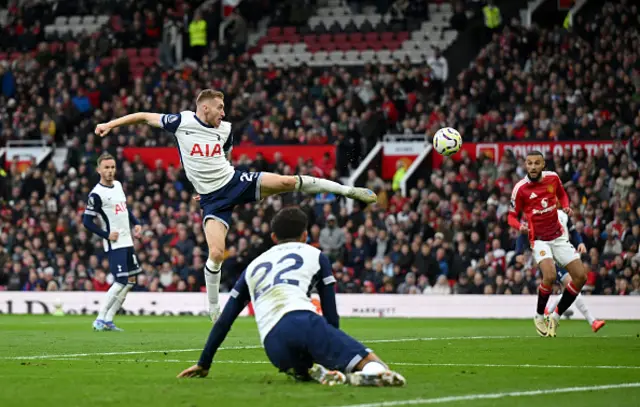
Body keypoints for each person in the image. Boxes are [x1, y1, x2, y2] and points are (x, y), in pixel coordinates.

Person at [94, 89, 376, 322]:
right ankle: (214, 310)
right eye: (219, 107)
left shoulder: (226, 130)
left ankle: (350, 191)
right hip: (213, 201)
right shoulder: (181, 121)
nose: (223, 113)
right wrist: (110, 124)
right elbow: (143, 117)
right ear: (204, 108)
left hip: (234, 182)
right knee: (216, 252)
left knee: (289, 181)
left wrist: (211, 179)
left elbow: (225, 158)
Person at [176, 207, 406, 387]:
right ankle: (367, 373)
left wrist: (204, 363)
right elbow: (330, 312)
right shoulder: (316, 255)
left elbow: (225, 320)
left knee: (301, 365)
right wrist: (330, 343)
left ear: (274, 236)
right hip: (304, 322)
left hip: (273, 345)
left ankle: (305, 370)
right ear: (305, 234)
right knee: (372, 362)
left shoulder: (253, 266)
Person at [508, 150, 587, 337]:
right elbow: (511, 217)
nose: (533, 167)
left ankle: (556, 316)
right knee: (550, 276)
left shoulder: (552, 178)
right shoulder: (520, 189)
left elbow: (563, 194)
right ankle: (538, 315)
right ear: (525, 165)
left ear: (543, 165)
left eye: (537, 163)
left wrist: (566, 205)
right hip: (539, 240)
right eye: (529, 163)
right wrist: (519, 226)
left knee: (581, 277)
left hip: (558, 237)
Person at [515, 208, 606, 333]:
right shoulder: (540, 213)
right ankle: (592, 321)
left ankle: (549, 312)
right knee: (572, 286)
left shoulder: (563, 215)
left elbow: (573, 232)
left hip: (565, 255)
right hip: (550, 259)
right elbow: (524, 233)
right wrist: (519, 251)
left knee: (574, 287)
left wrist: (580, 243)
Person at [83, 153, 142, 331]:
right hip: (115, 243)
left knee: (131, 281)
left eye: (112, 167)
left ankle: (109, 319)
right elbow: (86, 221)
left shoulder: (118, 185)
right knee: (121, 280)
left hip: (127, 240)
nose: (110, 171)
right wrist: (106, 235)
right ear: (99, 170)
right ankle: (100, 318)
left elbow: (124, 208)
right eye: (106, 168)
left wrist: (136, 223)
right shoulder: (96, 194)